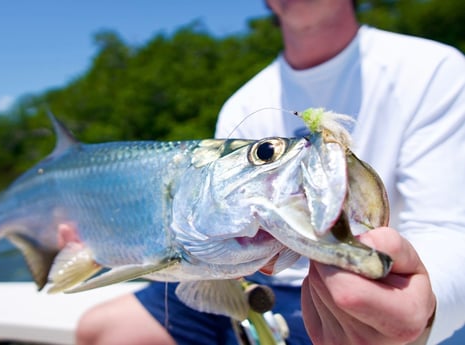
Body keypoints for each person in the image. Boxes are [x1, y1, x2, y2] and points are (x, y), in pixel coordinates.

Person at [76, 0, 465, 344]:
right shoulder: (242, 103)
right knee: (104, 329)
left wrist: (426, 306)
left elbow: (449, 228)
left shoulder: (435, 69)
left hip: (364, 290)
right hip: (243, 278)